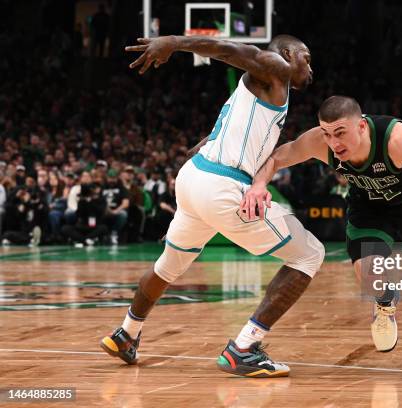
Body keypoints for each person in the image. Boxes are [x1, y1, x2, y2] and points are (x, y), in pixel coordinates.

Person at [100, 33, 322, 378]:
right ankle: (244, 348)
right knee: (310, 253)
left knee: (168, 266)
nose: (310, 68)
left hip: (195, 178)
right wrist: (173, 43)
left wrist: (199, 193)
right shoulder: (274, 66)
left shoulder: (256, 94)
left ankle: (126, 333)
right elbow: (229, 49)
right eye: (306, 58)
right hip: (220, 185)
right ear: (288, 52)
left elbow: (209, 142)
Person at [243, 96, 402, 362]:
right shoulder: (321, 143)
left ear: (362, 126)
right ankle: (385, 300)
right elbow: (277, 157)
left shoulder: (396, 140)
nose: (334, 143)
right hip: (369, 206)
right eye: (327, 134)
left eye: (340, 133)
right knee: (367, 273)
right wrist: (259, 185)